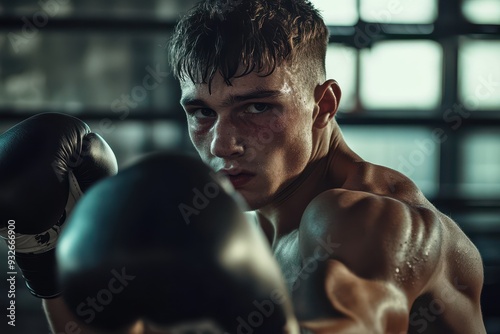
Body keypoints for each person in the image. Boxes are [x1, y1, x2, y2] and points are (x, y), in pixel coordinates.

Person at [167, 0, 486, 333]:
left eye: (257, 107)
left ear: (324, 105)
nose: (222, 145)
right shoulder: (248, 231)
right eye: (203, 113)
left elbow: (355, 322)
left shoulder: (357, 216)